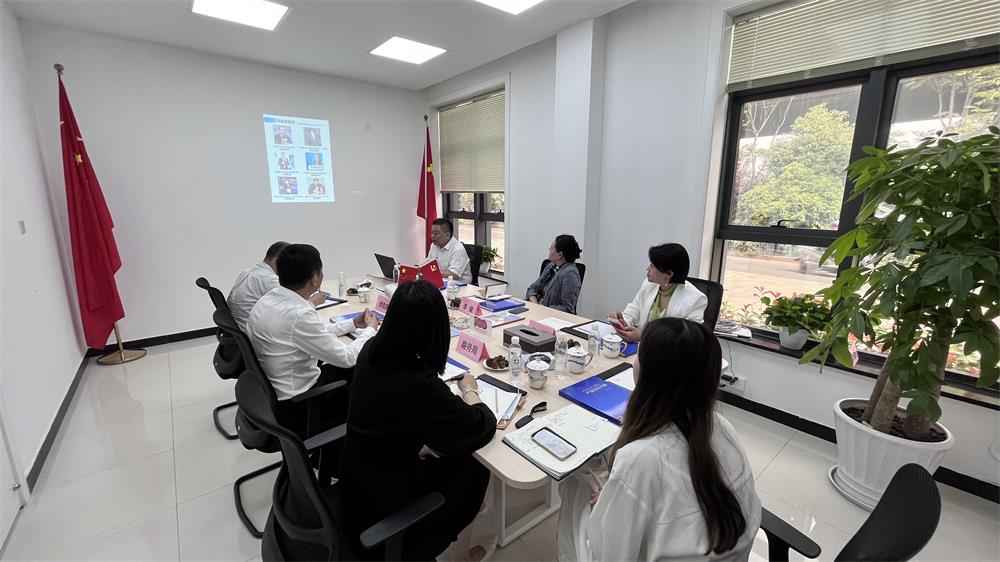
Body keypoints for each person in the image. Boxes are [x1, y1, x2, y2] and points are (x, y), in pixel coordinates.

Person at [558, 318, 761, 561]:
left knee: (575, 482)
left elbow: (609, 553)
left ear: (650, 376)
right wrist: (618, 495)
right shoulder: (723, 427)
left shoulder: (640, 459)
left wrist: (605, 504)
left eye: (638, 356)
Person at [339, 280, 496, 560]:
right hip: (384, 507)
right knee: (475, 466)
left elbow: (388, 414)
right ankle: (458, 554)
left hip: (359, 481)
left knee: (443, 449)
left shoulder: (371, 349)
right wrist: (470, 390)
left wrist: (414, 443)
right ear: (434, 329)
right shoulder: (418, 382)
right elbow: (480, 424)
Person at [247, 244, 379, 434]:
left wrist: (352, 324)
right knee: (368, 366)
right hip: (301, 405)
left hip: (274, 396)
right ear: (316, 279)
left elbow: (312, 332)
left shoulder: (269, 300)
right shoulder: (299, 314)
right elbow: (347, 358)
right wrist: (371, 330)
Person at [610, 243, 708, 342]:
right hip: (643, 348)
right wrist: (623, 321)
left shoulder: (696, 299)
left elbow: (688, 340)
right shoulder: (649, 285)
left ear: (669, 274)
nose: (648, 269)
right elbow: (632, 313)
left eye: (652, 266)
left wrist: (642, 336)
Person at [227, 242, 330, 333]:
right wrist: (314, 301)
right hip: (254, 332)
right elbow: (295, 311)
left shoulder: (247, 272)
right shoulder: (270, 280)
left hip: (239, 330)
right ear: (278, 260)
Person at [526, 234, 583, 314]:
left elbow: (567, 308)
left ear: (560, 254)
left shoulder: (570, 274)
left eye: (552, 248)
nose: (549, 249)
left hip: (551, 316)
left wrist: (542, 309)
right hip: (537, 309)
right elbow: (532, 289)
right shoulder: (551, 265)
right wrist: (536, 306)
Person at [426, 218, 472, 283]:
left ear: (447, 235)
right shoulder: (434, 245)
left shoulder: (458, 249)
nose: (432, 236)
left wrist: (431, 273)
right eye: (432, 232)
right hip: (440, 280)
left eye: (436, 233)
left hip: (460, 284)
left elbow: (454, 274)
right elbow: (429, 264)